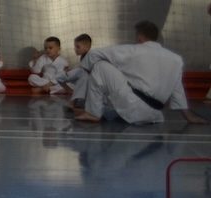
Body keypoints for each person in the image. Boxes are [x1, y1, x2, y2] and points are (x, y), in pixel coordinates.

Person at [71, 21, 205, 125]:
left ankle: (93, 113)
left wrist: (87, 70)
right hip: (155, 114)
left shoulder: (133, 51)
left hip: (134, 108)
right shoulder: (176, 59)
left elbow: (94, 54)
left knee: (100, 66)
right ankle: (106, 109)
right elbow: (177, 90)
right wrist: (189, 117)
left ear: (140, 37)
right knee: (123, 77)